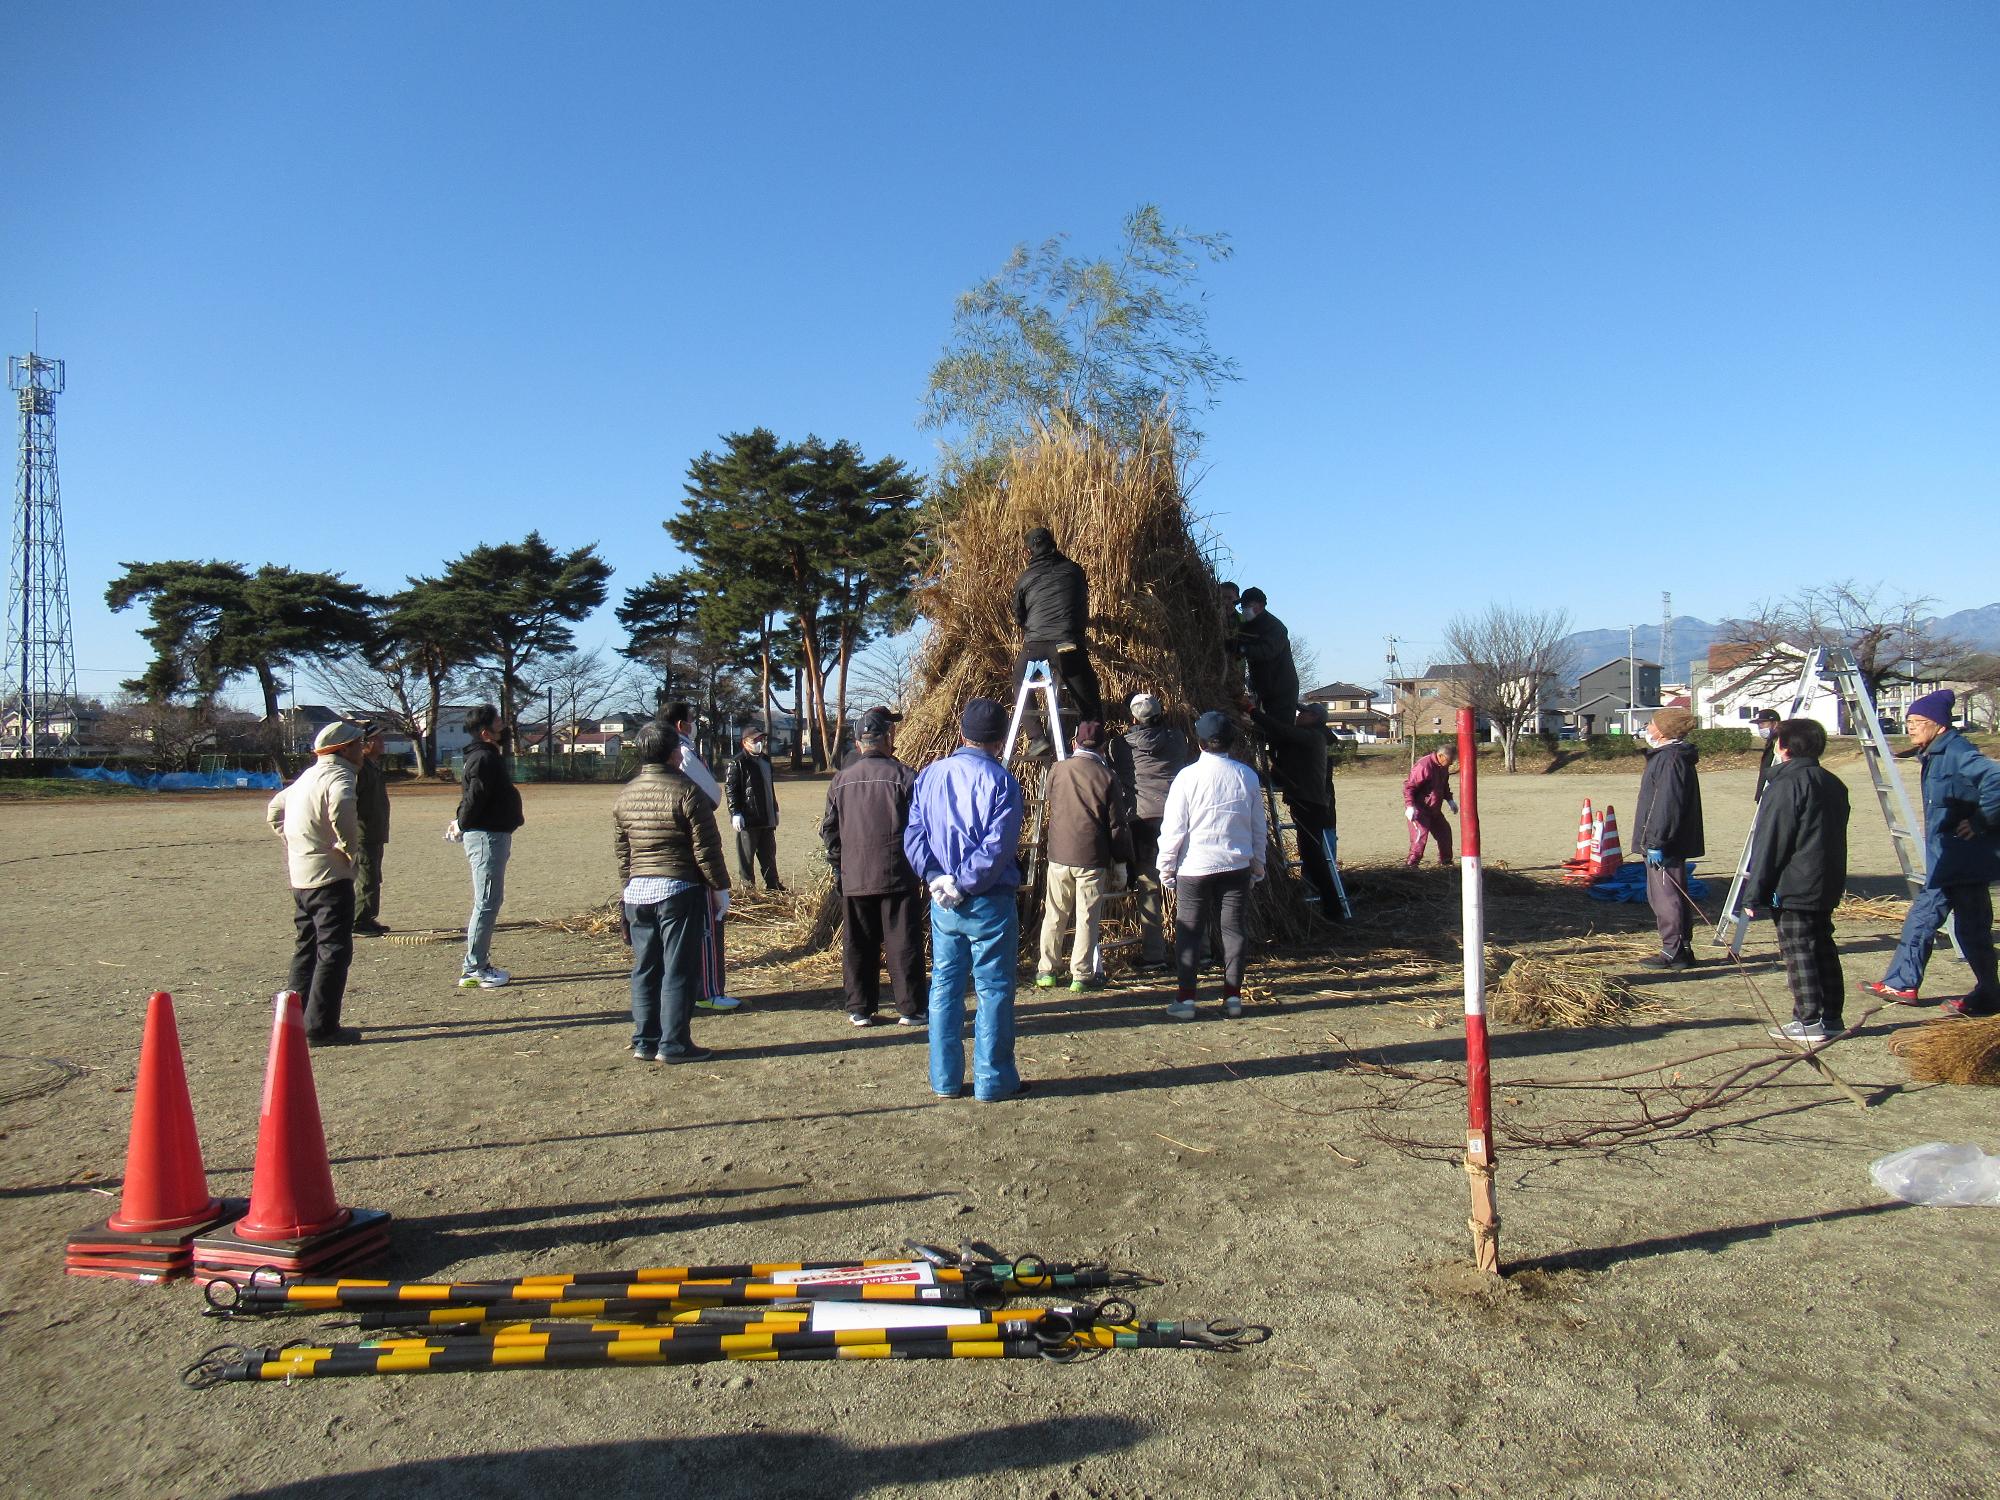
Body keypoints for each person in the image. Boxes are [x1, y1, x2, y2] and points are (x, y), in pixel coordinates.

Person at [904, 697, 1027, 1101]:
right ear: (1000, 739)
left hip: (944, 903)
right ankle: (993, 1080)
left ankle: (944, 1079)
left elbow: (915, 833)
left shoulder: (930, 775)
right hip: (987, 899)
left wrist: (937, 876)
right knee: (993, 988)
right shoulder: (1002, 782)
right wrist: (964, 882)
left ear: (962, 734)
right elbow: (998, 847)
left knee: (945, 985)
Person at [1862, 690, 2000, 1016]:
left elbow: (1997, 778)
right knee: (1931, 918)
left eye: (1917, 722)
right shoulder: (1935, 751)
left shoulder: (1958, 751)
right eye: (1908, 721)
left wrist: (1980, 820)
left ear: (1938, 725)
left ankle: (1988, 993)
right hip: (1947, 857)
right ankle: (1903, 982)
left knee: (1970, 930)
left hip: (1963, 859)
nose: (1910, 727)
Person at [615, 722, 731, 1064]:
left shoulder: (627, 792)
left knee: (645, 968)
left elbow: (623, 851)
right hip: (679, 888)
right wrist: (719, 886)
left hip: (638, 891)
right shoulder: (687, 790)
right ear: (675, 752)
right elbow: (706, 848)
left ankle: (644, 1040)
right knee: (679, 968)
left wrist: (627, 887)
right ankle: (675, 1044)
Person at [1742, 718, 1852, 1043]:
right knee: (1822, 946)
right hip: (1826, 880)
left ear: (1784, 746)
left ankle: (1808, 1020)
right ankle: (1831, 1016)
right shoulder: (1833, 782)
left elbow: (1772, 842)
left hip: (1795, 883)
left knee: (1798, 949)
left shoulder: (1786, 786)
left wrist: (1754, 893)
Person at [1157, 710, 1267, 1020]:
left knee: (1190, 932)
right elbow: (1258, 826)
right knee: (1234, 929)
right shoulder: (1246, 775)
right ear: (1231, 741)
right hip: (1236, 865)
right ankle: (1232, 998)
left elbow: (1174, 828)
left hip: (1195, 867)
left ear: (1199, 741)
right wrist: (1258, 863)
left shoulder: (1187, 777)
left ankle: (1186, 1000)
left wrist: (1166, 867)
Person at [820, 708, 926, 1027]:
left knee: (857, 943)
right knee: (903, 943)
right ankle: (910, 1008)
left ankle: (860, 1008)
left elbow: (829, 830)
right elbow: (923, 827)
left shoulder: (840, 780)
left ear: (857, 742)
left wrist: (840, 866)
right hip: (897, 874)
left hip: (855, 877)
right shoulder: (906, 776)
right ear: (888, 739)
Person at [266, 720, 366, 1044]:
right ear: (345, 749)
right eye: (359, 744)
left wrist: (294, 843)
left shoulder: (307, 776)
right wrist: (348, 849)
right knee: (334, 950)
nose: (362, 750)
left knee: (306, 947)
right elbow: (342, 804)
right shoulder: (340, 775)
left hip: (301, 876)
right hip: (329, 877)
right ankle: (321, 1027)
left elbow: (275, 810)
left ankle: (292, 1019)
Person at [1037, 721, 1132, 993]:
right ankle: (1081, 974)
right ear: (1103, 747)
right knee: (1087, 917)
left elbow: (1051, 798)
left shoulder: (1058, 769)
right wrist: (1122, 861)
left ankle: (1047, 970)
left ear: (1074, 743)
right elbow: (1116, 825)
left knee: (1054, 913)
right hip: (1092, 857)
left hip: (1058, 855)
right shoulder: (1107, 776)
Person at [662, 701, 741, 1012]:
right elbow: (712, 794)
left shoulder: (647, 760)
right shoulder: (682, 752)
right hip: (691, 846)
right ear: (682, 725)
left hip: (657, 857)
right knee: (707, 921)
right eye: (691, 720)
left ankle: (672, 991)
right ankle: (708, 990)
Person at [1109, 693, 1192, 967]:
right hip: (1177, 819)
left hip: (1142, 822)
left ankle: (1154, 954)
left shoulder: (1120, 746)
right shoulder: (1178, 740)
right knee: (1187, 885)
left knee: (1148, 888)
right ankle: (1199, 950)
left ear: (1133, 718)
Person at [449, 705, 523, 990]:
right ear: (485, 732)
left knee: (489, 900)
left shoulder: (483, 757)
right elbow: (474, 798)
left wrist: (460, 822)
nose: (504, 727)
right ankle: (474, 968)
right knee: (487, 901)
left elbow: (472, 797)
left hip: (491, 834)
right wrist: (461, 823)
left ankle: (476, 964)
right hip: (486, 837)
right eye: (499, 724)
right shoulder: (483, 759)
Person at [1011, 527, 1103, 754]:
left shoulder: (1025, 579)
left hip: (1036, 646)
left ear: (1028, 551)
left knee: (1019, 681)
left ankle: (1037, 738)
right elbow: (1080, 605)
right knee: (1089, 700)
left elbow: (1019, 617)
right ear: (1054, 543)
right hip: (1068, 645)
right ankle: (1092, 746)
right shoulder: (1074, 571)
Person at [1248, 696, 1341, 916]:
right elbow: (1276, 735)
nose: (1299, 715)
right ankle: (1330, 906)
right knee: (1311, 854)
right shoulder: (1310, 736)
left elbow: (1281, 731)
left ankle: (1333, 908)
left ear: (1315, 718)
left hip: (1310, 803)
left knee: (1313, 856)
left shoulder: (1312, 736)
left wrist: (1252, 711)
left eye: (1305, 713)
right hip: (1307, 801)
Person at [1634, 706, 1706, 970]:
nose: (1648, 728)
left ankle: (1673, 950)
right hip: (1668, 839)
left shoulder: (1669, 759)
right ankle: (1681, 948)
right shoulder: (1673, 757)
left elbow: (1666, 804)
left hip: (1665, 842)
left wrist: (1656, 841)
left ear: (1664, 730)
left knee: (1665, 896)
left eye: (1651, 724)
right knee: (1672, 894)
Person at [725, 726, 784, 892]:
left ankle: (773, 885)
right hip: (748, 819)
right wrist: (735, 812)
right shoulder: (737, 763)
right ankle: (748, 889)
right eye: (755, 740)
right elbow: (731, 789)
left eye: (761, 740)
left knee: (769, 855)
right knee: (746, 856)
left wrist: (775, 809)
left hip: (767, 817)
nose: (759, 743)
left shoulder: (765, 760)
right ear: (745, 742)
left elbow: (769, 788)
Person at [1233, 587, 1299, 719]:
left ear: (1261, 606)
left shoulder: (1275, 627)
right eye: (1243, 606)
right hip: (1261, 687)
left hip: (1281, 688)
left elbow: (1267, 651)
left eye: (1249, 605)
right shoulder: (1246, 627)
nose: (1245, 609)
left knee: (1279, 727)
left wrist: (1242, 649)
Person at [351, 724, 392, 936]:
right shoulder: (361, 769)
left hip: (374, 832)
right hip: (364, 833)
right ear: (366, 744)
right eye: (377, 739)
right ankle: (359, 920)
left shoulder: (373, 767)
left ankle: (368, 916)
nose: (382, 743)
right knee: (367, 876)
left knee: (373, 876)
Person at [1402, 744, 1458, 867]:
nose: (1451, 764)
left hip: (1434, 810)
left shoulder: (1443, 767)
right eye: (1450, 760)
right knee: (1420, 837)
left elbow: (1444, 784)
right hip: (1419, 810)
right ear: (1441, 756)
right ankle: (1411, 866)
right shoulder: (1423, 766)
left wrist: (1449, 799)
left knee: (1445, 833)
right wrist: (1410, 806)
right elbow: (1409, 787)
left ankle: (1446, 863)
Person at [1751, 707, 1783, 800]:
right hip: (1765, 794)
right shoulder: (1770, 743)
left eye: (1763, 723)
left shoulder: (1782, 745)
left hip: (1775, 795)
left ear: (1775, 723)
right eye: (1758, 725)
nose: (1760, 727)